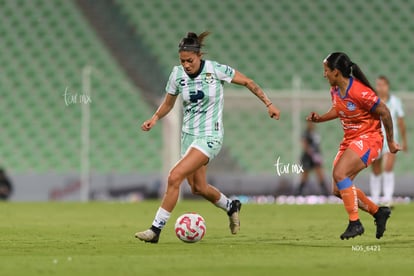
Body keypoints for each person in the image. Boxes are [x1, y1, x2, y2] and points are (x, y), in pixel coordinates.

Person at [136, 32, 280, 243]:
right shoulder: (177, 75)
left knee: (174, 177)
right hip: (189, 137)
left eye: (190, 61)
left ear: (199, 56)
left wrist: (268, 104)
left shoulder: (216, 70)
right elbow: (168, 103)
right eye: (182, 61)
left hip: (210, 136)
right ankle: (231, 206)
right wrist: (155, 117)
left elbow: (248, 82)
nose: (186, 65)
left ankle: (155, 230)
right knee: (198, 188)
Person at [307, 52, 400, 240]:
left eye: (326, 70)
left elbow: (385, 111)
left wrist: (390, 141)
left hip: (370, 138)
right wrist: (321, 118)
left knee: (340, 174)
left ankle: (355, 223)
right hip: (350, 139)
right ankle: (378, 213)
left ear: (336, 72)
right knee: (337, 189)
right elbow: (340, 109)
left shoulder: (360, 91)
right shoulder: (335, 89)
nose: (324, 74)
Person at [370, 76, 407, 206]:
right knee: (375, 168)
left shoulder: (396, 101)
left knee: (388, 167)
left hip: (391, 139)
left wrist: (404, 140)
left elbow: (401, 122)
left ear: (387, 86)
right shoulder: (372, 101)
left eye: (382, 85)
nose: (380, 87)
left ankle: (387, 198)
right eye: (378, 85)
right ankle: (375, 197)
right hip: (375, 138)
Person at [296, 121, 329, 196]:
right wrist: (312, 154)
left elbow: (317, 146)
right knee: (304, 176)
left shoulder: (315, 133)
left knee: (320, 174)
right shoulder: (305, 133)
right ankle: (298, 193)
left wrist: (318, 156)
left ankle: (325, 193)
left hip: (316, 157)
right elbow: (304, 145)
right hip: (307, 157)